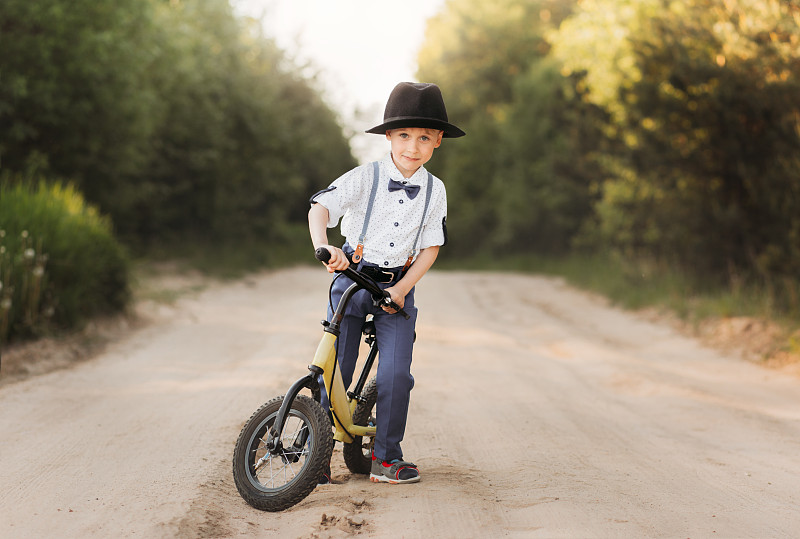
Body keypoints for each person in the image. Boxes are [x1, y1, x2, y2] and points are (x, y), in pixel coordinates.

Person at [308, 82, 465, 484]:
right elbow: (320, 207)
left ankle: (386, 457)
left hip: (396, 289)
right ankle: (319, 450)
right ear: (390, 137)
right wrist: (325, 247)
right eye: (404, 136)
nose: (413, 147)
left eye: (424, 138)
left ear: (438, 142)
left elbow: (431, 247)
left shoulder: (435, 190)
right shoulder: (366, 177)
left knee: (397, 374)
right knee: (336, 368)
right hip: (352, 277)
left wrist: (402, 287)